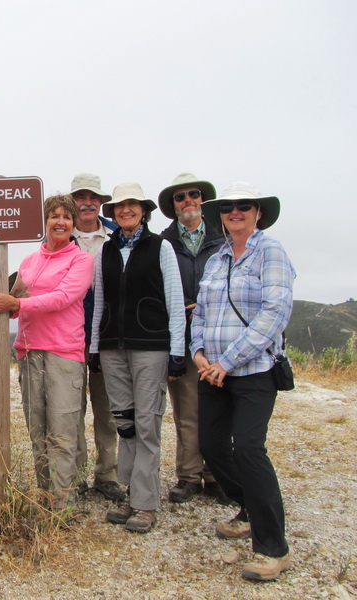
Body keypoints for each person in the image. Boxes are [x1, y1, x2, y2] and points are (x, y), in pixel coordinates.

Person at [191, 182, 294, 582]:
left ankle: (273, 549)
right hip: (212, 370)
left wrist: (228, 361)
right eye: (228, 207)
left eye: (243, 207)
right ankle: (248, 506)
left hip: (253, 371)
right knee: (212, 445)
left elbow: (275, 313)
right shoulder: (217, 259)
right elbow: (201, 312)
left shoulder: (271, 252)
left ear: (258, 213)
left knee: (249, 448)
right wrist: (199, 353)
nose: (235, 212)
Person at [0, 194, 93, 510]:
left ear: (73, 224)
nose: (60, 222)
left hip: (63, 354)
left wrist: (16, 304)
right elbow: (14, 301)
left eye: (66, 217)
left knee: (62, 434)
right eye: (54, 216)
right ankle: (45, 499)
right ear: (43, 222)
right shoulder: (29, 262)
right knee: (38, 432)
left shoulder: (80, 260)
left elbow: (63, 298)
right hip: (30, 354)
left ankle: (61, 506)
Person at [89, 183, 185, 534]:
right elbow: (100, 301)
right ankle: (132, 495)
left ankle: (145, 504)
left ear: (143, 210)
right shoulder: (106, 250)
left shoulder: (162, 248)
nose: (124, 211)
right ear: (113, 213)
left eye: (131, 205)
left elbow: (175, 301)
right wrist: (95, 347)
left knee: (147, 423)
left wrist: (177, 351)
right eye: (119, 206)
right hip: (114, 346)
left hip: (151, 346)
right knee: (125, 422)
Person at [157, 173, 226, 504]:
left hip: (220, 341)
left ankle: (216, 475)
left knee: (217, 411)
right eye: (180, 197)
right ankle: (188, 476)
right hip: (180, 340)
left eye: (194, 194)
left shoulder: (222, 240)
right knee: (186, 411)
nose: (188, 200)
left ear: (203, 200)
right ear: (173, 206)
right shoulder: (163, 243)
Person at [69, 173, 126, 502]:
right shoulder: (58, 235)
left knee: (107, 410)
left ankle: (107, 473)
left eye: (92, 197)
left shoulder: (118, 235)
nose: (87, 203)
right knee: (73, 409)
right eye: (80, 197)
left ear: (101, 201)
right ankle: (76, 475)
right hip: (71, 337)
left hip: (108, 337)